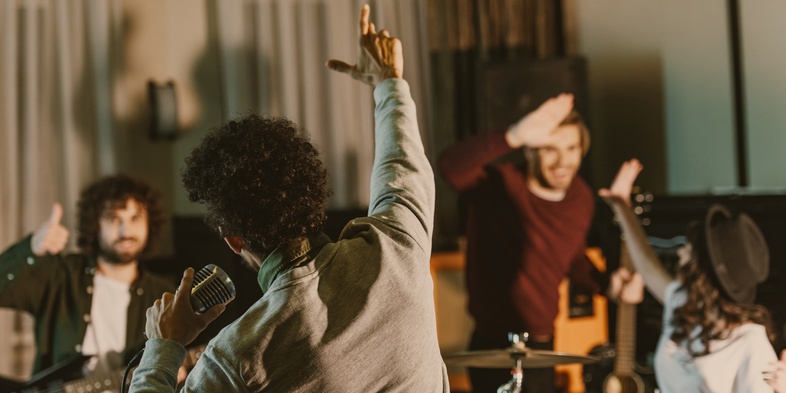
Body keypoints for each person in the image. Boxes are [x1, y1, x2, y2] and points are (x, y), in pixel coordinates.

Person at [128, 4, 449, 392]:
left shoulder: (239, 355)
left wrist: (163, 345)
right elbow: (401, 163)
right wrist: (389, 82)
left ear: (233, 238)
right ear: (312, 194)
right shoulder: (396, 247)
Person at [437, 94, 644, 392]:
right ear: (531, 150)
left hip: (544, 344)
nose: (563, 161)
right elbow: (450, 166)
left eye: (572, 148)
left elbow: (572, 258)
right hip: (492, 341)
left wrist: (607, 285)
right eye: (551, 149)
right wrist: (513, 135)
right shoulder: (500, 185)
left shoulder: (581, 198)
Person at [600, 159, 786, 392]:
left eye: (689, 249)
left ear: (702, 269)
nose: (681, 252)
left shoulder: (750, 344)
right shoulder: (685, 305)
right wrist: (621, 206)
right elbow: (648, 267)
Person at [0, 174, 174, 388]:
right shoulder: (62, 274)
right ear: (95, 224)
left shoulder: (164, 296)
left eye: (135, 218)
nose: (125, 231)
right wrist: (32, 250)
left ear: (150, 223)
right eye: (113, 218)